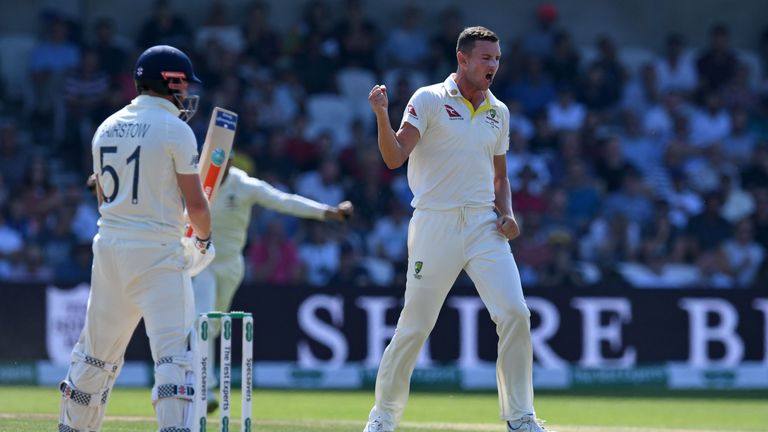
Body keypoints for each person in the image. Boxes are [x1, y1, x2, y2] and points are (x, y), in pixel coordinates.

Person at [364, 27, 552, 432]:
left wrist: (508, 213)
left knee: (516, 314)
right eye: (485, 58)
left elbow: (500, 178)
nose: (493, 66)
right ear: (462, 59)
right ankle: (383, 416)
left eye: (497, 59)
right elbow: (395, 158)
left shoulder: (498, 112)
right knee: (415, 325)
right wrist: (382, 114)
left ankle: (520, 416)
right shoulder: (428, 99)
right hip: (435, 221)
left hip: (484, 225)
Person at [58, 45, 214, 432]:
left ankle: (73, 428)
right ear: (169, 82)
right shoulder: (176, 130)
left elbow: (104, 200)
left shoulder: (105, 127)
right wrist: (203, 243)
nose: (187, 92)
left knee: (94, 357)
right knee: (173, 359)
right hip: (158, 256)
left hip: (109, 250)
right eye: (184, 84)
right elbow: (196, 205)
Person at [193, 154, 353, 410]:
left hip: (232, 265)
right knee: (204, 318)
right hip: (202, 262)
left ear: (231, 163)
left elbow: (283, 201)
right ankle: (205, 388)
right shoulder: (196, 181)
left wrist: (327, 213)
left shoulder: (244, 185)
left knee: (212, 325)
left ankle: (201, 379)